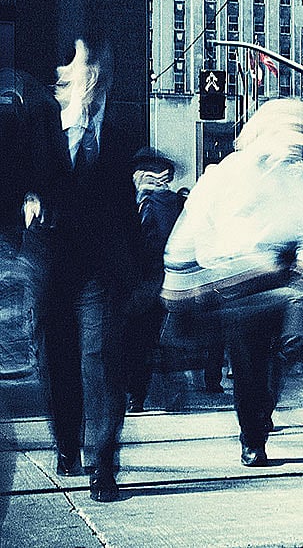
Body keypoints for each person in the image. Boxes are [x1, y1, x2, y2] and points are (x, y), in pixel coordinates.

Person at [161, 98, 303, 467]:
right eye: (291, 130)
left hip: (281, 278)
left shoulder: (295, 178)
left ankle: (260, 416)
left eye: (300, 132)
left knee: (273, 365)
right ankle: (253, 435)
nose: (297, 141)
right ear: (265, 132)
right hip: (238, 281)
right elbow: (195, 224)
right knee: (251, 365)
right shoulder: (227, 173)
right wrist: (189, 275)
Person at [20, 38, 142, 502]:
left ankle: (102, 466)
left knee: (100, 359)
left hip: (98, 269)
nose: (62, 69)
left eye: (73, 60)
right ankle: (67, 442)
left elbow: (127, 207)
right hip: (49, 261)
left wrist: (137, 268)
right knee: (56, 361)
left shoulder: (121, 131)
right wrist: (27, 197)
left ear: (94, 74)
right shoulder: (39, 122)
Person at [123, 148, 184, 413]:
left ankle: (139, 394)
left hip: (153, 281)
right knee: (141, 341)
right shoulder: (126, 201)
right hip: (138, 281)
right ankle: (137, 393)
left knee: (142, 340)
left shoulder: (173, 205)